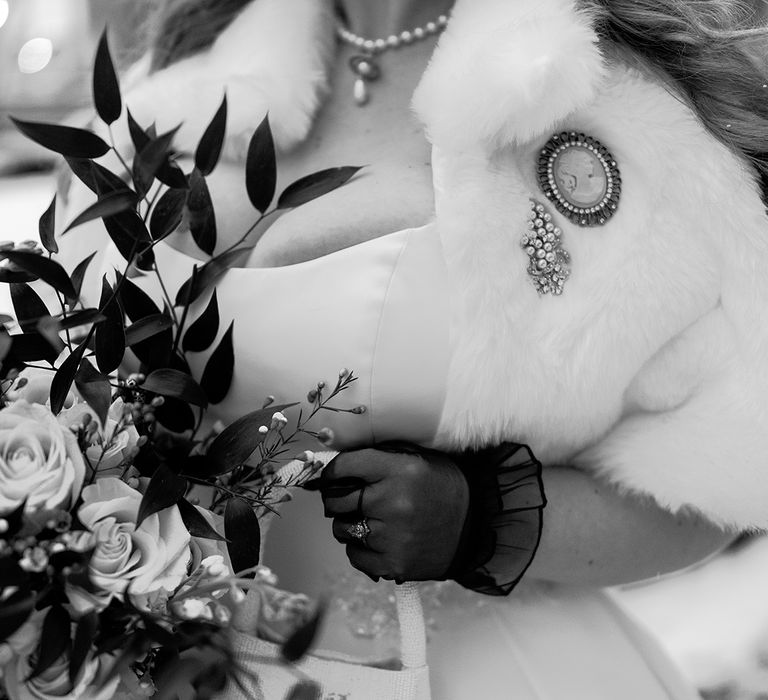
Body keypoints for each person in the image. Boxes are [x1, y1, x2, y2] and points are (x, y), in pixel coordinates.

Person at [57, 0, 768, 696]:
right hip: (167, 662)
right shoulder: (167, 88)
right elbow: (70, 368)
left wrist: (480, 520)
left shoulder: (616, 115)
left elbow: (711, 477)